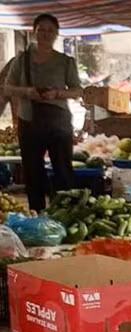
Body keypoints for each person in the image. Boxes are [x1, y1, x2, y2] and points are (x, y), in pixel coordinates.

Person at [3, 14, 82, 212]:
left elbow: (77, 90)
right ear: (34, 32)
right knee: (33, 170)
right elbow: (8, 88)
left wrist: (56, 93)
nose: (45, 34)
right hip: (29, 120)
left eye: (50, 30)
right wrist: (27, 92)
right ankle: (36, 213)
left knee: (63, 170)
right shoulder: (21, 60)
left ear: (56, 34)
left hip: (59, 122)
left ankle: (65, 212)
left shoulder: (65, 62)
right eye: (41, 30)